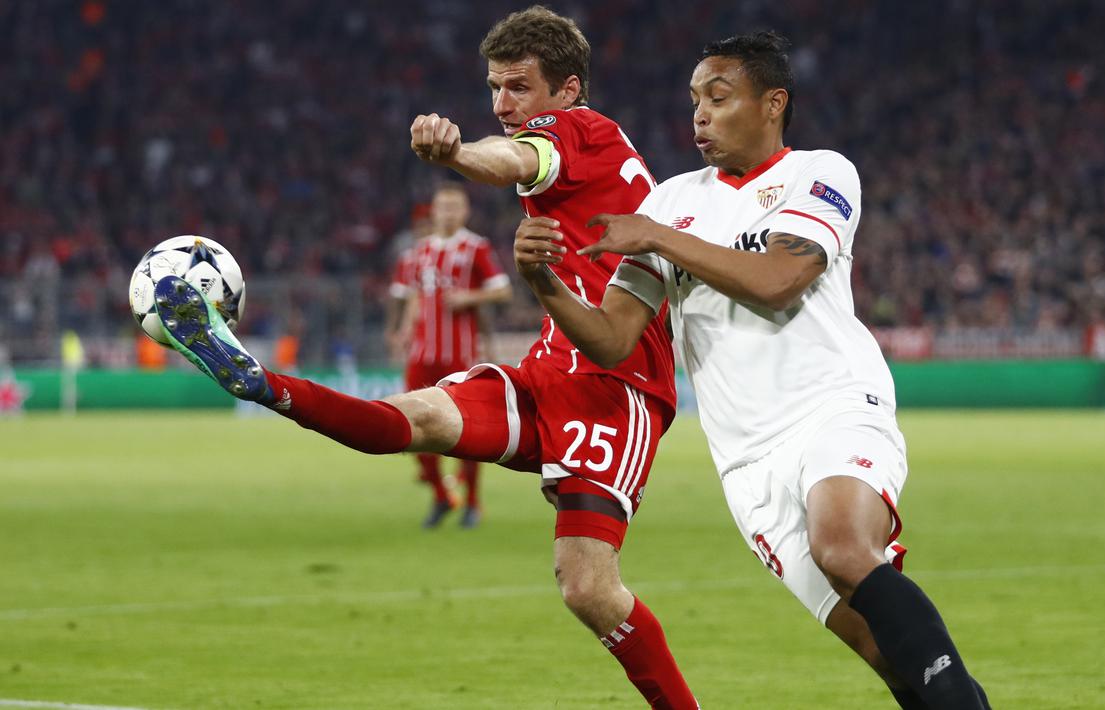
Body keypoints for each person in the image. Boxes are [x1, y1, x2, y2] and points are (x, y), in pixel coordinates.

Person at [152, 6, 698, 708]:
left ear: (566, 90)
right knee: (410, 420)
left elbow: (510, 159)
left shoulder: (579, 131)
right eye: (494, 88)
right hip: (547, 371)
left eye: (518, 87)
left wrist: (457, 154)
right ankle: (260, 383)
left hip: (613, 386)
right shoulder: (578, 147)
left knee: (588, 587)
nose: (503, 104)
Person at [512, 32, 991, 709]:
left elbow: (779, 281)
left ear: (772, 104)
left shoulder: (820, 173)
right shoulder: (670, 200)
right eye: (693, 101)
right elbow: (615, 338)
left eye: (718, 97)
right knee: (884, 651)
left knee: (842, 545)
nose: (699, 115)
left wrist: (655, 236)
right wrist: (545, 282)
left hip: (832, 404)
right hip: (745, 458)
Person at [387, 183, 512, 528]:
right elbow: (412, 295)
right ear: (434, 210)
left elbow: (503, 290)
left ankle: (471, 502)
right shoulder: (419, 252)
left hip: (459, 354)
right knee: (410, 425)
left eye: (455, 207)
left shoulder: (476, 248)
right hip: (421, 353)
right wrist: (403, 330)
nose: (448, 213)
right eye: (443, 207)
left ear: (465, 211)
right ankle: (442, 495)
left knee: (468, 431)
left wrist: (468, 299)